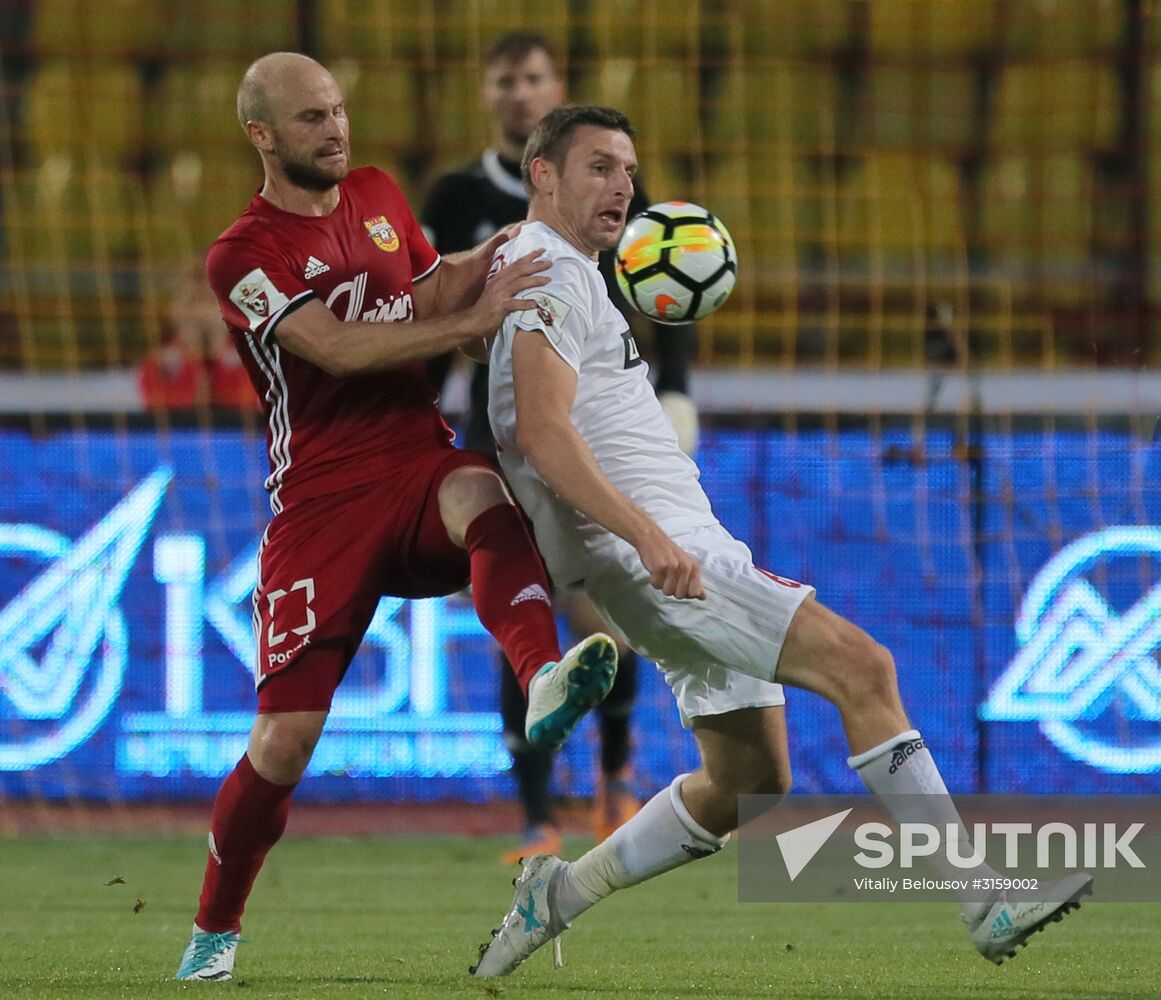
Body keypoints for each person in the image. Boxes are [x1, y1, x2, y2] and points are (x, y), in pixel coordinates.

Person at [470, 106, 1093, 977]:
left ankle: (556, 895)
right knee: (864, 667)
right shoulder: (548, 275)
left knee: (749, 781)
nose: (623, 189)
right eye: (600, 167)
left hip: (659, 549)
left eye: (629, 170)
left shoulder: (555, 268)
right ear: (542, 174)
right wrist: (646, 536)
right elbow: (540, 431)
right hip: (662, 553)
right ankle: (981, 900)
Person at [174, 54, 621, 983]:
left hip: (415, 457)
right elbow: (334, 348)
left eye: (337, 111)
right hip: (321, 502)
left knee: (484, 496)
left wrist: (505, 249)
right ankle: (216, 927)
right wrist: (473, 322)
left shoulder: (375, 192)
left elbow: (423, 290)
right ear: (261, 135)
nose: (334, 131)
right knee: (283, 743)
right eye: (309, 120)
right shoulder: (239, 254)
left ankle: (543, 675)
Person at [420, 32, 697, 860]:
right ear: (488, 93)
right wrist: (420, 413)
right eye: (504, 78)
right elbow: (435, 310)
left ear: (554, 87)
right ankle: (538, 816)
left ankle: (615, 778)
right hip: (501, 421)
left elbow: (667, 297)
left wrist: (677, 394)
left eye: (533, 77)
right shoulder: (459, 194)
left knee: (611, 606)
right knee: (526, 609)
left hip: (602, 424)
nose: (519, 91)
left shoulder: (609, 194)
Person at [138, 264, 260, 412]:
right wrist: (191, 357)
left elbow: (249, 406)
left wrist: (219, 352)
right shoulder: (159, 362)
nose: (200, 312)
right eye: (192, 302)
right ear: (174, 310)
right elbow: (154, 407)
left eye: (208, 301)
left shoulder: (251, 356)